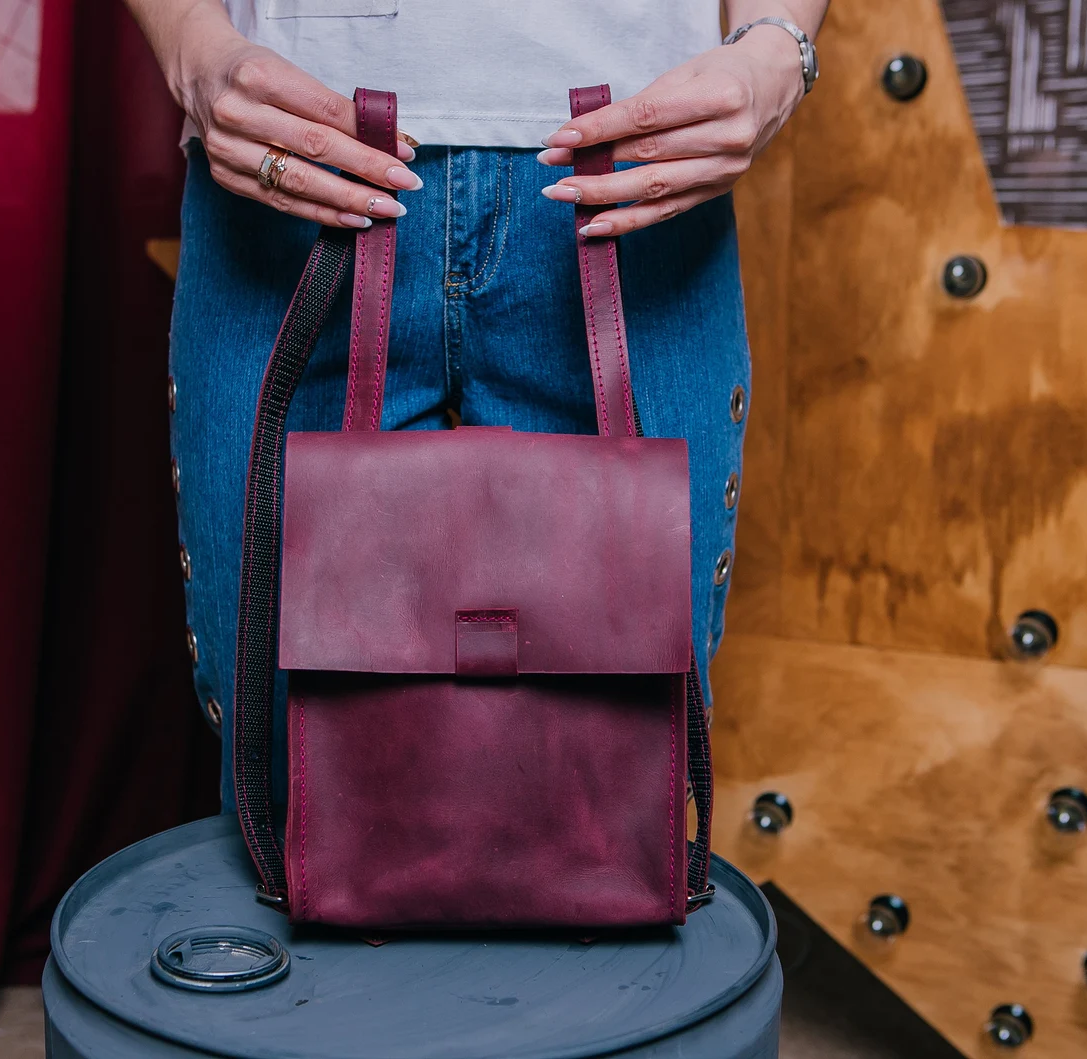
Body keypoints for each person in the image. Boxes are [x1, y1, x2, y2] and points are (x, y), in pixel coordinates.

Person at [124, 0, 828, 808]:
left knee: (614, 811)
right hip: (295, 161)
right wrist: (191, 42)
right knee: (293, 799)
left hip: (634, 172)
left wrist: (777, 46)